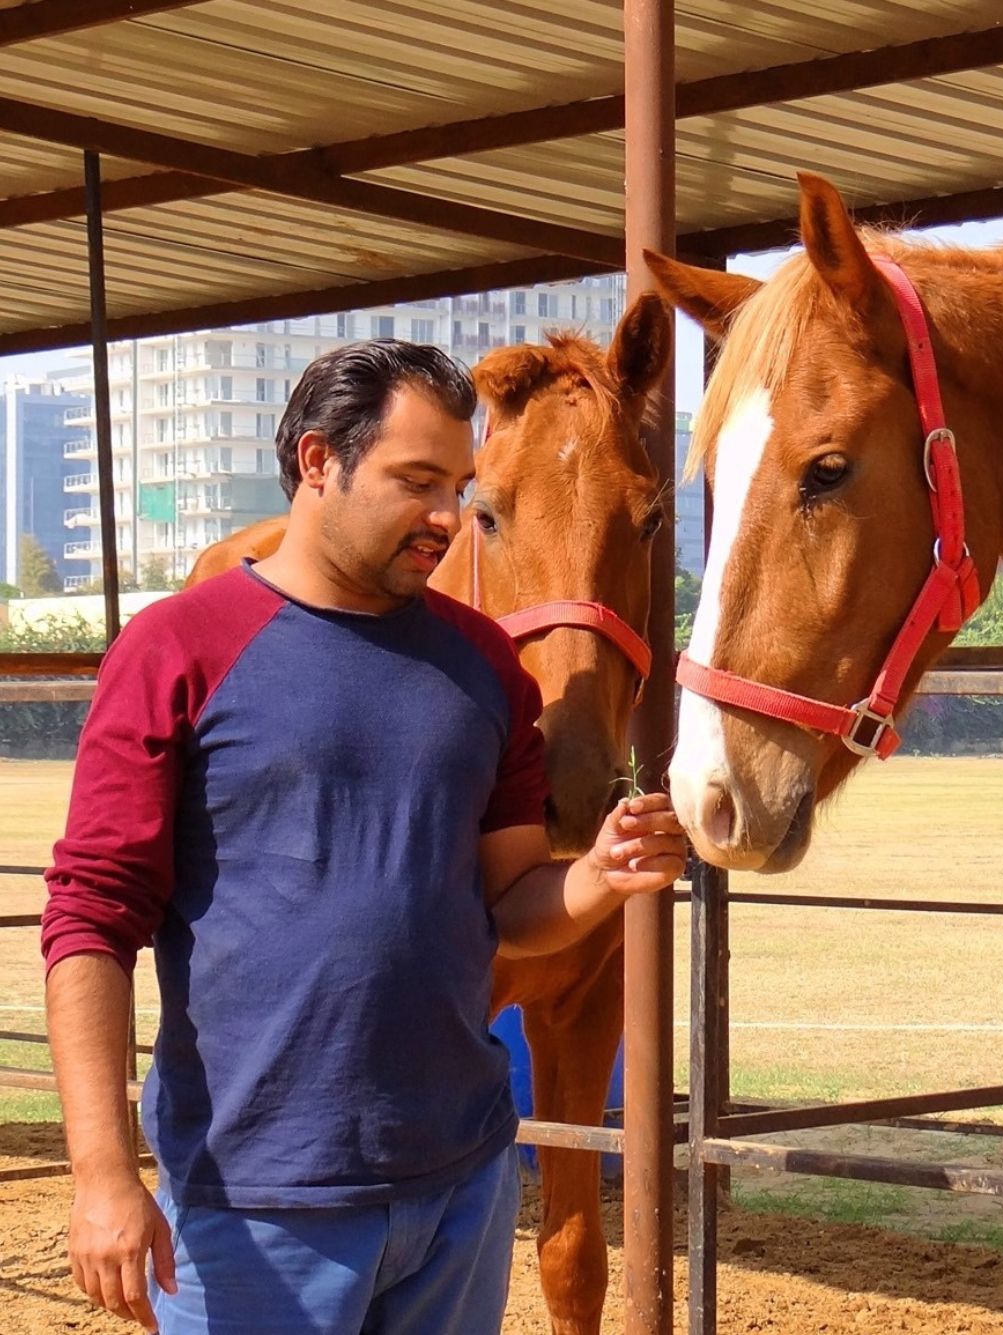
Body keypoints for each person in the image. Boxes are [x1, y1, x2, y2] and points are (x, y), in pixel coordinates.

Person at [41, 340, 686, 1335]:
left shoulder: (487, 672)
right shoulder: (177, 649)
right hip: (254, 1204)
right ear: (316, 462)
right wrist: (101, 1174)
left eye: (460, 487)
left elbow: (512, 908)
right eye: (415, 481)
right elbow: (90, 918)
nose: (444, 517)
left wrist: (600, 875)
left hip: (458, 1194)